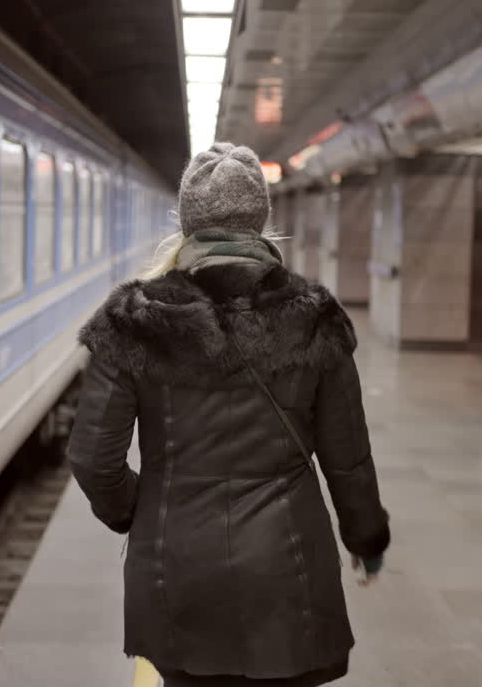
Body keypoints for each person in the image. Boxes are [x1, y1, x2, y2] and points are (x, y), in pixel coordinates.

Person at [68, 143, 389, 687]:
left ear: (188, 220)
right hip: (286, 567)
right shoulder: (314, 318)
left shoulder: (135, 319)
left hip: (177, 564)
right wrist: (366, 539)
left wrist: (138, 511)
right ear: (260, 218)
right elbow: (347, 456)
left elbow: (94, 459)